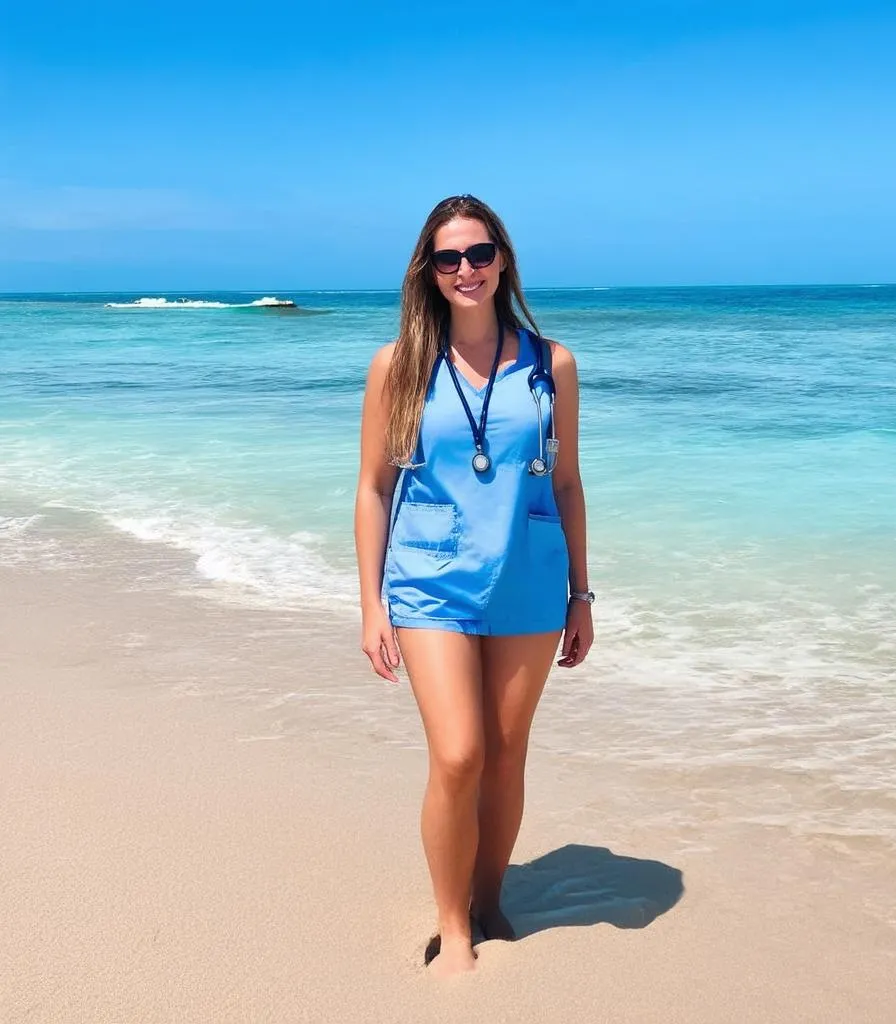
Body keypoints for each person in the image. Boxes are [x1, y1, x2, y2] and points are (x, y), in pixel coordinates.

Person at [353, 194, 595, 978]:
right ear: (428, 270)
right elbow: (373, 488)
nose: (467, 270)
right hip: (429, 580)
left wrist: (582, 596)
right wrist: (371, 603)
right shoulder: (398, 366)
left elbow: (566, 485)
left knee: (505, 752)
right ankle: (452, 925)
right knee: (458, 755)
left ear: (504, 261)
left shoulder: (551, 363)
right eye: (449, 257)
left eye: (480, 253)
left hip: (529, 576)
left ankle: (491, 901)